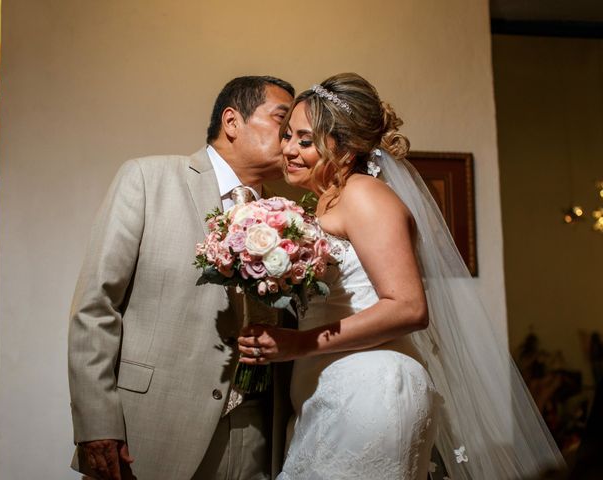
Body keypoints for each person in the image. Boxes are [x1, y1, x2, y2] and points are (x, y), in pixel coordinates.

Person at [238, 73, 566, 479]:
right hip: (329, 388)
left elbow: (409, 307)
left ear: (344, 148)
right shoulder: (326, 204)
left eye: (305, 141)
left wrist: (299, 344)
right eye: (287, 135)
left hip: (371, 387)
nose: (287, 149)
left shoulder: (364, 195)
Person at [68, 75, 294, 480]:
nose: (292, 136)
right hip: (151, 429)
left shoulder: (290, 215)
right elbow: (95, 306)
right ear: (232, 121)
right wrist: (96, 424)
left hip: (256, 432)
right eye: (283, 119)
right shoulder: (148, 179)